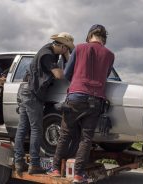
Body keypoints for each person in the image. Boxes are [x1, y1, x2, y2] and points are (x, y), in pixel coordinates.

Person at [48, 24, 114, 183]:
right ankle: (78, 174)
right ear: (103, 38)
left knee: (65, 134)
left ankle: (55, 169)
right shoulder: (110, 54)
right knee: (86, 138)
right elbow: (105, 76)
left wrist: (78, 83)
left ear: (89, 35)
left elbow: (67, 73)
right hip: (96, 100)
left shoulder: (79, 48)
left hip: (76, 97)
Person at [14, 32, 75, 174]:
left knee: (23, 128)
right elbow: (59, 75)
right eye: (67, 49)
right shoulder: (47, 54)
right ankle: (34, 164)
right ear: (61, 46)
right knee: (36, 129)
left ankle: (19, 162)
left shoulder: (49, 52)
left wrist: (65, 55)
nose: (67, 52)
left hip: (26, 91)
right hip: (32, 94)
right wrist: (66, 57)